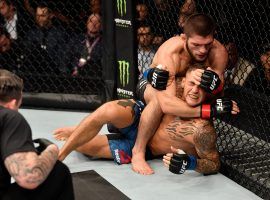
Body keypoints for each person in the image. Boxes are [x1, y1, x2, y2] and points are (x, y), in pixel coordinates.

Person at [53, 65, 239, 176]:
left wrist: (191, 163)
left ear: (209, 92)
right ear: (184, 81)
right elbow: (146, 78)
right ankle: (61, 155)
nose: (194, 90)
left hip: (148, 149)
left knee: (88, 149)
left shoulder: (202, 130)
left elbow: (214, 164)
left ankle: (78, 133)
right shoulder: (176, 86)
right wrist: (152, 73)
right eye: (191, 83)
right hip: (140, 116)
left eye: (201, 87)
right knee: (107, 110)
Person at [132, 13, 229, 175]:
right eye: (196, 44)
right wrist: (208, 111)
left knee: (203, 88)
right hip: (152, 85)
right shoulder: (172, 52)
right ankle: (138, 151)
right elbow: (167, 103)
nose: (202, 50)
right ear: (184, 38)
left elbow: (218, 93)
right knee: (158, 97)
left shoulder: (218, 52)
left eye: (207, 44)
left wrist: (215, 85)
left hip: (186, 89)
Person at [0, 69, 74, 200]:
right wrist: (52, 151)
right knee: (58, 171)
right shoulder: (9, 117)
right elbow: (29, 178)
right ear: (12, 103)